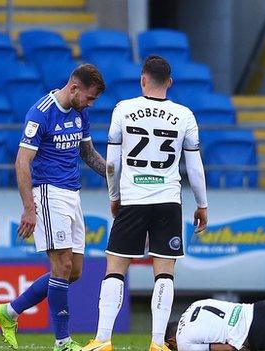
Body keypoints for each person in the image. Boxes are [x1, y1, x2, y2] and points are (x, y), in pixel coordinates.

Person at [82, 55, 209, 351]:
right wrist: (202, 204)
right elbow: (195, 167)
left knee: (115, 269)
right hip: (168, 201)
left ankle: (103, 340)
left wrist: (114, 195)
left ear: (142, 79)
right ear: (170, 83)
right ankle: (157, 344)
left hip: (133, 199)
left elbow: (112, 162)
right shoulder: (185, 115)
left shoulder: (124, 109)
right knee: (164, 272)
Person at [0, 64, 107, 351]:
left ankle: (10, 311)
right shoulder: (41, 112)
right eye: (89, 98)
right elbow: (21, 162)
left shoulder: (81, 113)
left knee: (74, 271)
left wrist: (115, 174)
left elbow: (87, 153)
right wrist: (29, 208)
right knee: (62, 266)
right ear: (74, 88)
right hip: (47, 193)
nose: (90, 104)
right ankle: (62, 342)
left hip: (72, 194)